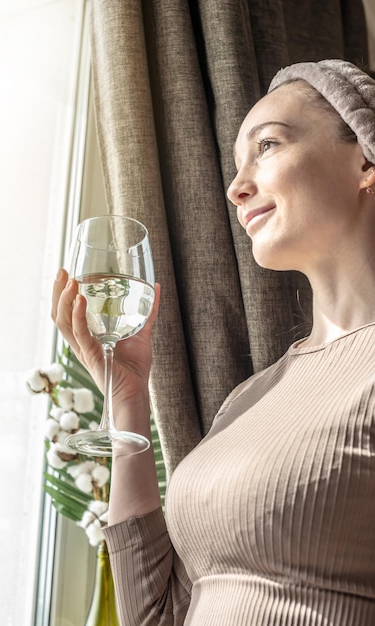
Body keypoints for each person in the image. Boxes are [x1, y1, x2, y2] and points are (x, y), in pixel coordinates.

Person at [52, 59, 375, 625]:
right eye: (235, 163)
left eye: (267, 146)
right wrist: (126, 396)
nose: (235, 187)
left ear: (366, 157)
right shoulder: (250, 397)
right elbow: (156, 614)